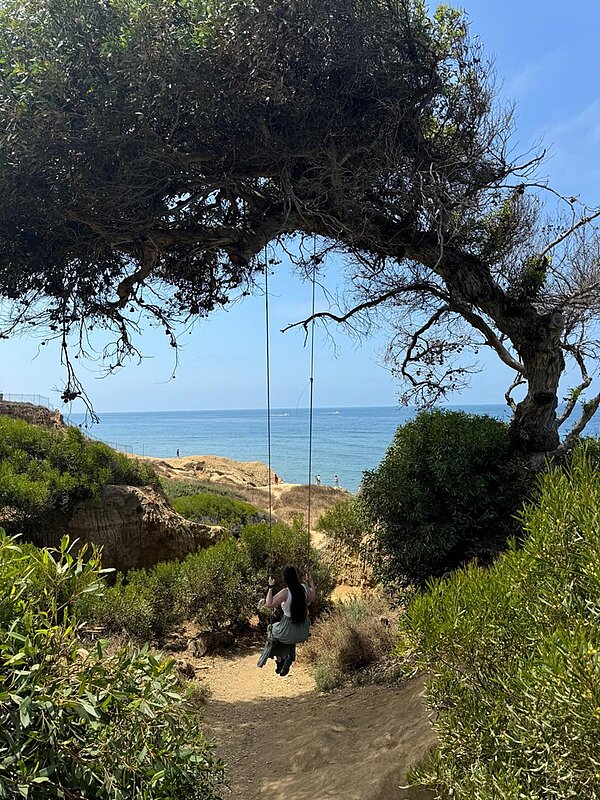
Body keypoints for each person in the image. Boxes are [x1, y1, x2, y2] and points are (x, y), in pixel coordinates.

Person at [257, 566, 316, 676]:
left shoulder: (286, 592)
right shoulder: (303, 588)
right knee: (285, 636)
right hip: (302, 632)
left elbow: (269, 604)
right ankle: (282, 661)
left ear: (285, 578)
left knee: (272, 630)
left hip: (288, 630)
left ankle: (281, 659)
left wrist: (270, 587)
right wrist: (310, 581)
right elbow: (313, 598)